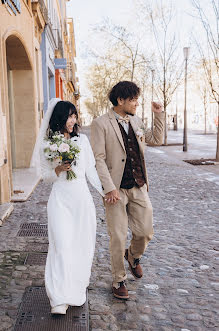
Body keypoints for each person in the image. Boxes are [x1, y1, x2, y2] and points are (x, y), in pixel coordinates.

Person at [90, 81, 164, 299]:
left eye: (137, 99)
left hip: (138, 186)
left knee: (145, 231)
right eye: (133, 100)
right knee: (118, 237)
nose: (136, 103)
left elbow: (156, 140)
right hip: (116, 190)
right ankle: (118, 280)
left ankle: (133, 256)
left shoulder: (137, 120)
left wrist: (158, 114)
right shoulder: (100, 124)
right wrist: (109, 187)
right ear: (120, 100)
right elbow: (99, 159)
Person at [31, 98, 104, 314]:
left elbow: (90, 170)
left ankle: (75, 290)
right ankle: (58, 298)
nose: (73, 120)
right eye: (69, 116)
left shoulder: (81, 141)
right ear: (59, 118)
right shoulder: (48, 145)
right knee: (61, 245)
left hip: (81, 200)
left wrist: (105, 192)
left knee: (81, 245)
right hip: (60, 200)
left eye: (74, 116)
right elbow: (44, 176)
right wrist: (58, 170)